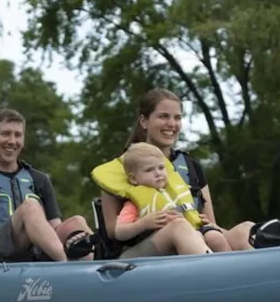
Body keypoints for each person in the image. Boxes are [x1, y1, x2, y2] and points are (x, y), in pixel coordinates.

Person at [93, 88, 255, 259]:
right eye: (163, 116)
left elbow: (210, 223)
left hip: (197, 236)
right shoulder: (122, 168)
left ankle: (252, 276)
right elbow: (112, 231)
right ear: (144, 121)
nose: (172, 124)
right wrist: (145, 223)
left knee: (246, 230)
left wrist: (213, 228)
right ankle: (219, 275)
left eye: (177, 117)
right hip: (137, 253)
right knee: (179, 227)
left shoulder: (192, 167)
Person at [0, 108, 95, 277]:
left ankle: (90, 276)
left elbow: (55, 230)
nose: (12, 141)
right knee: (30, 207)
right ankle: (67, 270)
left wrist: (76, 239)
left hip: (34, 254)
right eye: (5, 134)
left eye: (17, 135)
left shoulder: (40, 180)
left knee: (77, 223)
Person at [112, 142, 225, 255]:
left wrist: (200, 220)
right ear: (133, 179)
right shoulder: (133, 204)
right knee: (189, 231)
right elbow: (119, 232)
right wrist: (143, 224)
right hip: (147, 247)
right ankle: (210, 268)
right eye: (149, 170)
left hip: (185, 235)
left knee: (215, 237)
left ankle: (229, 267)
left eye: (161, 168)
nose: (158, 173)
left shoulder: (174, 195)